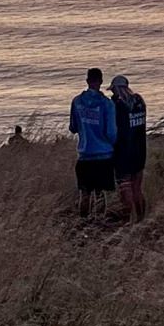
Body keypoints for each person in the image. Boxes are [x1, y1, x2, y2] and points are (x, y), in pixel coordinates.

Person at [68, 67, 117, 216]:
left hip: (85, 155)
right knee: (100, 194)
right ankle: (99, 223)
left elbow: (73, 127)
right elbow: (111, 132)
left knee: (85, 193)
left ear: (87, 81)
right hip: (103, 155)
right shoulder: (107, 104)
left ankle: (82, 222)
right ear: (101, 81)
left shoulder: (77, 101)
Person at [110, 72, 149, 220]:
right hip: (140, 152)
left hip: (123, 153)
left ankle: (128, 220)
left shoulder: (119, 106)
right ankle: (140, 218)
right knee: (137, 188)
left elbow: (116, 130)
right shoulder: (139, 101)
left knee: (125, 188)